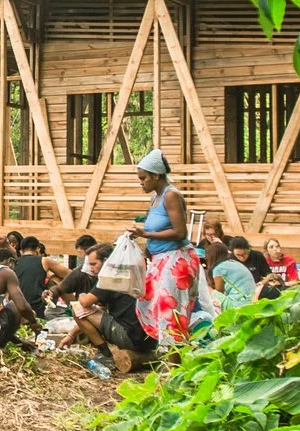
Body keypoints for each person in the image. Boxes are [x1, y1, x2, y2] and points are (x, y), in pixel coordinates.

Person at [129, 150, 196, 348]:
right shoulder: (155, 198)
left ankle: (175, 368)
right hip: (160, 259)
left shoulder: (171, 195)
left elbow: (180, 232)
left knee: (171, 313)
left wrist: (146, 235)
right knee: (148, 303)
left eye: (143, 178)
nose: (141, 183)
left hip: (176, 259)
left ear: (156, 175)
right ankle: (171, 358)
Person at [53, 247, 147, 373]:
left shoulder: (110, 278)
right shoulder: (129, 273)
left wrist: (81, 296)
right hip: (147, 338)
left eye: (94, 264)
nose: (91, 269)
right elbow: (97, 313)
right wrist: (72, 334)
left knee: (77, 308)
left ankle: (105, 354)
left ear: (106, 261)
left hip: (129, 337)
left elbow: (85, 304)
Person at [10, 236, 51, 314]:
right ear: (38, 248)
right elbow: (68, 273)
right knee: (55, 278)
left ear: (21, 250)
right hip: (38, 308)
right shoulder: (43, 260)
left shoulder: (15, 263)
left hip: (17, 309)